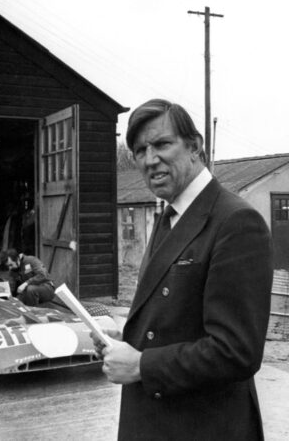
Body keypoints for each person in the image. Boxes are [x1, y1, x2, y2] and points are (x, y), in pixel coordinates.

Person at [93, 99, 273, 440]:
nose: (150, 159)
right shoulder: (171, 216)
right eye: (140, 150)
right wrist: (124, 343)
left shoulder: (235, 222)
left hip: (201, 427)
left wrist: (141, 365)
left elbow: (236, 351)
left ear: (194, 147)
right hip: (162, 422)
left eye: (162, 144)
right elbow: (172, 320)